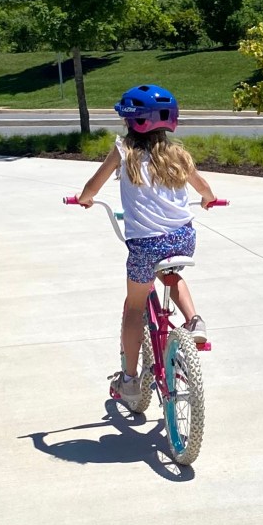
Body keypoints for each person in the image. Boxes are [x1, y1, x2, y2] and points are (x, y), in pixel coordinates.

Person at [76, 83, 219, 409]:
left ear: (130, 121)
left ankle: (129, 380)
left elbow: (92, 187)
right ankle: (194, 320)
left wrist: (85, 199)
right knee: (171, 273)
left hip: (145, 245)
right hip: (182, 238)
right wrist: (208, 200)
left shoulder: (123, 151)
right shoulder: (178, 154)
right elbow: (204, 188)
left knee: (135, 307)